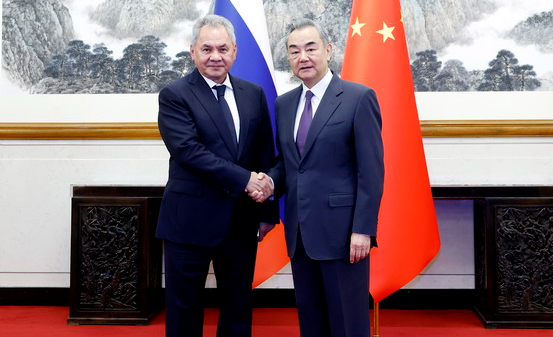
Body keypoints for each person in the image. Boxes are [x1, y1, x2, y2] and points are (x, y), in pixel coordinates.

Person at [156, 14, 278, 337]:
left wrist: (266, 211)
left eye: (222, 49)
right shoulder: (175, 95)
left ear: (235, 52)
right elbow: (190, 152)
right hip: (188, 224)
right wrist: (246, 180)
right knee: (184, 314)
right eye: (206, 48)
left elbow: (264, 153)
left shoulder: (253, 94)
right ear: (192, 51)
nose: (215, 56)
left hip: (240, 223)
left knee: (238, 311)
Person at [264, 18, 384, 337]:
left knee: (347, 323)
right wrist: (270, 182)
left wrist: (363, 230)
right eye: (294, 51)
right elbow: (291, 164)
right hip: (300, 234)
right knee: (311, 323)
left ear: (328, 51)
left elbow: (371, 171)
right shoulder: (284, 104)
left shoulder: (359, 98)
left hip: (344, 236)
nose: (302, 57)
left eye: (310, 48)